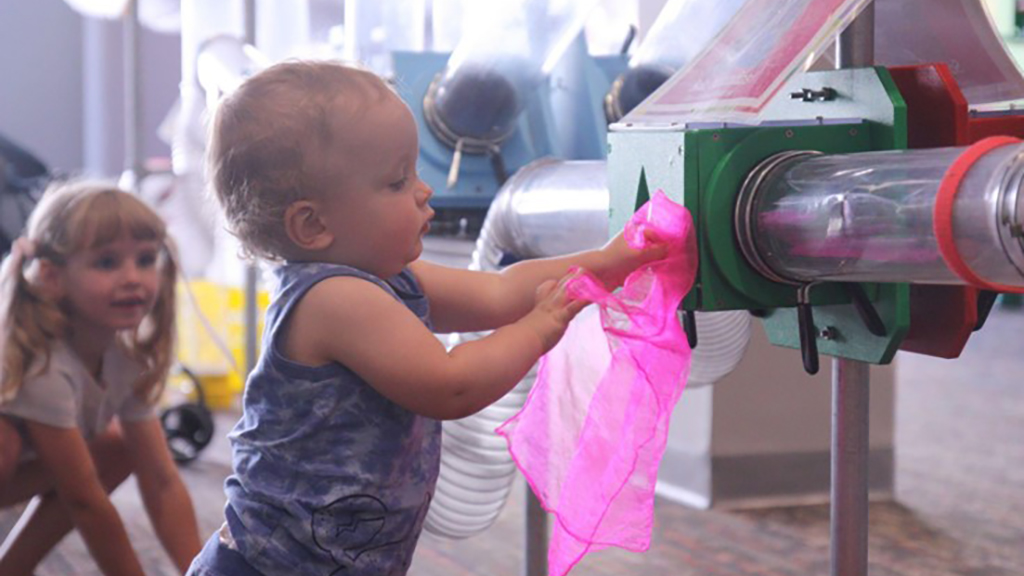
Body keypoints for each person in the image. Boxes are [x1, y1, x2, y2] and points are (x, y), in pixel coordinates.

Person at [188, 60, 666, 576]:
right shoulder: (332, 299)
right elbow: (451, 385)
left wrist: (609, 262)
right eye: (397, 181)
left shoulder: (388, 277)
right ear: (312, 224)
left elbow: (500, 292)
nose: (424, 190)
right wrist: (537, 330)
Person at [0, 181, 202, 575]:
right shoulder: (43, 363)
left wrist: (199, 570)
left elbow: (162, 480)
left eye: (145, 259)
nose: (133, 278)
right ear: (52, 277)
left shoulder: (125, 355)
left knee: (117, 447)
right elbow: (86, 502)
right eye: (107, 262)